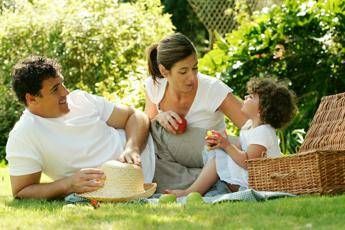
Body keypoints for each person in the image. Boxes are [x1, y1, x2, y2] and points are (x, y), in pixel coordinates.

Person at [6, 56, 155, 199]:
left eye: (62, 84)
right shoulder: (23, 135)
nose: (66, 92)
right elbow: (22, 191)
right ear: (32, 99)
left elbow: (136, 116)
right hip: (141, 184)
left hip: (157, 143)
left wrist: (132, 148)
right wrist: (68, 184)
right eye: (55, 89)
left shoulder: (80, 99)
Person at [144, 33, 248, 193]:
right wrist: (159, 116)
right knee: (150, 159)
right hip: (173, 161)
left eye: (195, 68)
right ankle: (213, 185)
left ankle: (208, 184)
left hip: (210, 157)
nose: (192, 77)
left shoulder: (213, 89)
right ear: (164, 70)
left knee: (232, 146)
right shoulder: (155, 85)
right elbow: (149, 129)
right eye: (183, 71)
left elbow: (253, 127)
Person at [166, 77, 297, 197]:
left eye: (251, 97)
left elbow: (249, 163)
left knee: (219, 158)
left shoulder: (263, 132)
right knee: (218, 153)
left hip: (262, 182)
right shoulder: (249, 127)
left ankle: (190, 192)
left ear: (261, 109)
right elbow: (238, 150)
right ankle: (200, 190)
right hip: (251, 179)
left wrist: (226, 146)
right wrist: (221, 142)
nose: (245, 97)